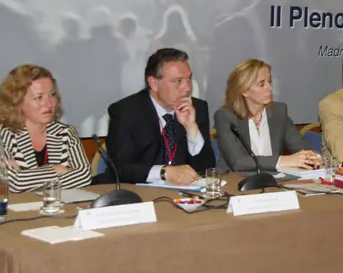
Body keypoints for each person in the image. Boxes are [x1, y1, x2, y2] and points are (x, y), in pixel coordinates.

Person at [106, 48, 215, 185]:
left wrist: (191, 128)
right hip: (139, 191)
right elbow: (120, 168)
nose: (187, 88)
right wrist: (164, 173)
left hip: (185, 193)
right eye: (178, 81)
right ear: (154, 83)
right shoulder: (125, 112)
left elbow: (207, 168)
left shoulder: (197, 108)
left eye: (189, 79)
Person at [214, 59, 320, 172]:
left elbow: (302, 148)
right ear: (244, 91)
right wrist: (283, 161)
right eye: (261, 84)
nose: (270, 88)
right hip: (235, 180)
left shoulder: (278, 112)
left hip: (273, 180)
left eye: (269, 81)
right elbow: (238, 162)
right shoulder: (225, 116)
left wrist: (314, 158)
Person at [0, 65, 91, 192]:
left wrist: (27, 178)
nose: (49, 104)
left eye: (52, 95)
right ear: (18, 101)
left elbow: (84, 176)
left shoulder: (66, 133)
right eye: (39, 97)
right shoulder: (4, 135)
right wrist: (56, 170)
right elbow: (15, 183)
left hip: (60, 204)